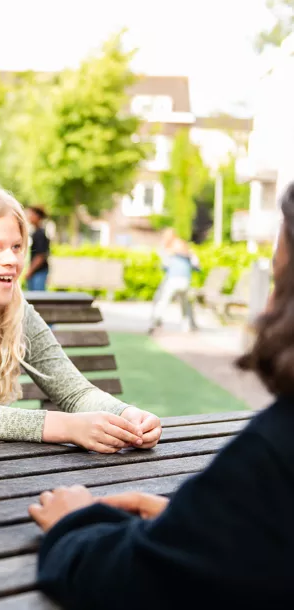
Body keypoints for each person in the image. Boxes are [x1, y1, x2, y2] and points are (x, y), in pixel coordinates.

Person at [28, 183, 294, 609]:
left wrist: (74, 523)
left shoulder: (274, 451)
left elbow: (125, 580)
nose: (265, 310)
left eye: (279, 283)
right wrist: (194, 524)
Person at [0, 184, 161, 453]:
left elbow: (75, 392)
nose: (11, 259)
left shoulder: (17, 311)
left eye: (17, 247)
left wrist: (127, 415)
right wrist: (67, 427)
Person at [148, 234, 199, 334]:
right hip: (185, 282)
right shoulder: (190, 256)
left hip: (173, 281)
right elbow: (196, 266)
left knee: (163, 301)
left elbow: (165, 266)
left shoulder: (172, 255)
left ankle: (156, 321)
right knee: (185, 304)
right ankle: (187, 325)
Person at [25, 206, 50, 291]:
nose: (29, 216)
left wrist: (30, 271)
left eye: (31, 214)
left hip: (39, 272)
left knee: (37, 296)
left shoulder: (40, 234)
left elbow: (40, 256)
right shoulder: (36, 232)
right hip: (37, 272)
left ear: (37, 216)